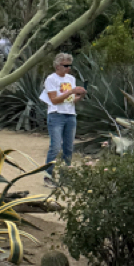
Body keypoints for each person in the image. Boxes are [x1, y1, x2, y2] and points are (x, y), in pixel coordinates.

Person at [41, 52, 86, 186]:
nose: (68, 68)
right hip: (56, 115)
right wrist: (71, 92)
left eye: (69, 65)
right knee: (55, 147)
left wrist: (81, 95)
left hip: (70, 114)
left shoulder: (71, 79)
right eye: (65, 65)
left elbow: (72, 101)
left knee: (68, 147)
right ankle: (48, 176)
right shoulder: (51, 79)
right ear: (57, 66)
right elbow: (54, 100)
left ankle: (65, 177)